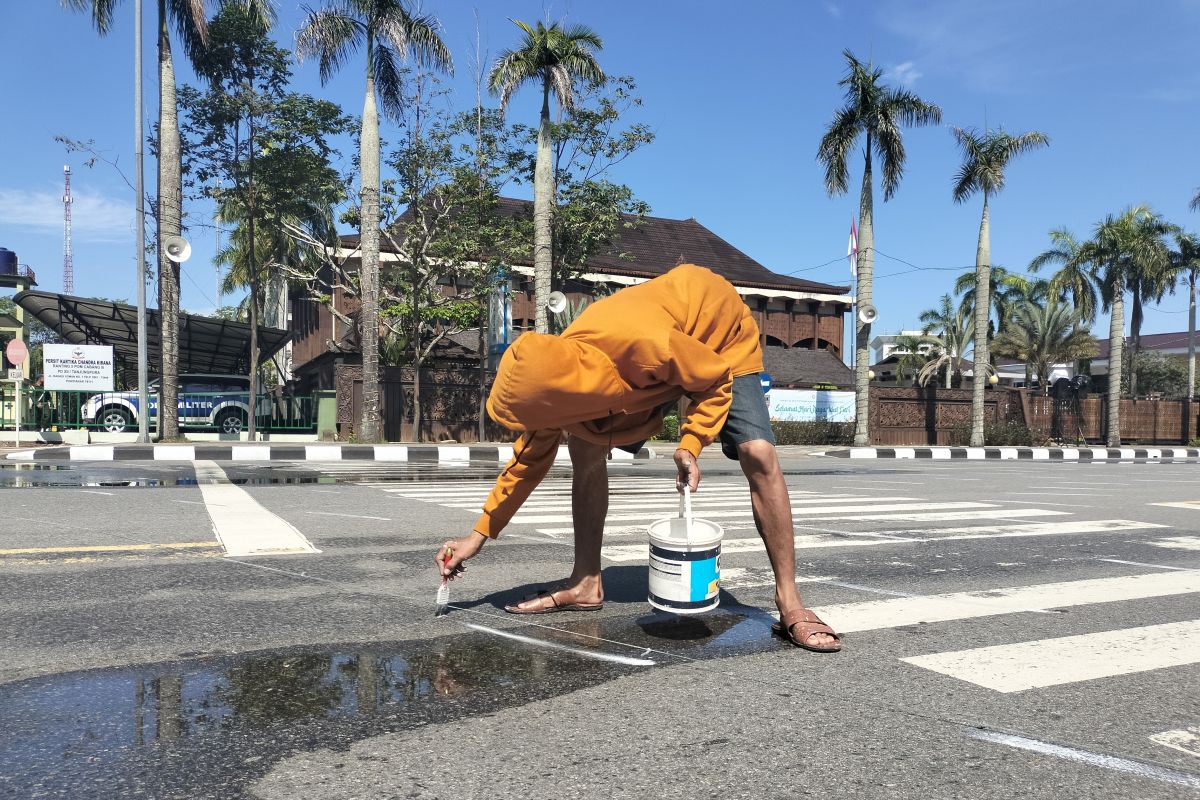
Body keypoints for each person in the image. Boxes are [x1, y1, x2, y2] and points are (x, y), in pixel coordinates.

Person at [435, 264, 841, 653]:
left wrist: (692, 443)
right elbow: (527, 461)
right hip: (657, 354)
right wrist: (478, 535)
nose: (543, 430)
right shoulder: (554, 376)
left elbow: (715, 379)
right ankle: (586, 582)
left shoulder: (646, 345)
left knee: (759, 453)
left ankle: (790, 600)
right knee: (584, 447)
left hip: (719, 336)